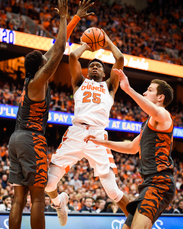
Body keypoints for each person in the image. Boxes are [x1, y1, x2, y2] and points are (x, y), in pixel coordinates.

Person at [8, 1, 94, 228]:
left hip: (16, 139)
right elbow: (59, 49)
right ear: (41, 67)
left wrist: (75, 18)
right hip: (30, 139)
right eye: (45, 60)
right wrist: (65, 18)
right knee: (37, 198)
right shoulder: (38, 82)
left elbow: (56, 47)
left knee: (18, 199)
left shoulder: (31, 78)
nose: (48, 59)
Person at [45, 27, 129, 227]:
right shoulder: (79, 82)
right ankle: (59, 203)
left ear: (104, 72)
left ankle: (135, 220)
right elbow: (73, 56)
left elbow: (120, 60)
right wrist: (88, 44)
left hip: (98, 136)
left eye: (98, 66)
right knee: (48, 184)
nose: (94, 67)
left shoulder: (109, 86)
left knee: (112, 191)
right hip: (76, 132)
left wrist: (106, 40)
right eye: (91, 65)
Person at [85, 69, 175, 229]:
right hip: (148, 183)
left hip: (159, 183)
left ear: (160, 97)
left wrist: (128, 89)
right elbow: (132, 147)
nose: (145, 92)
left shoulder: (164, 116)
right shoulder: (147, 124)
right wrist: (102, 142)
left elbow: (155, 111)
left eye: (150, 90)